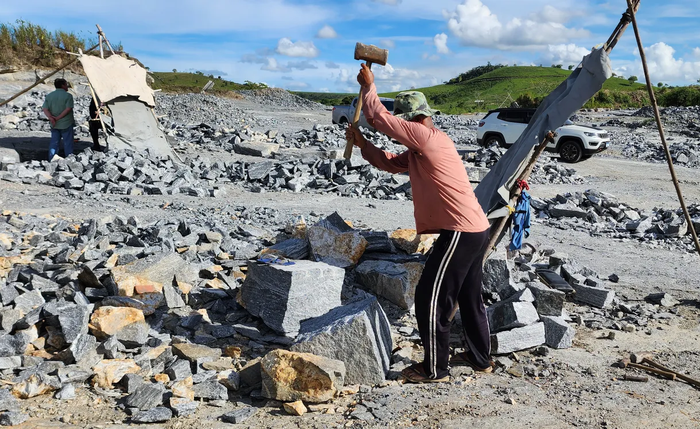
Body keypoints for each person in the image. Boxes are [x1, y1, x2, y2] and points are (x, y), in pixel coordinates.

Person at [346, 63, 493, 383]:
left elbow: (380, 120)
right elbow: (388, 162)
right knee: (469, 296)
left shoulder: (425, 137)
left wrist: (370, 87)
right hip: (476, 228)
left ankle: (434, 369)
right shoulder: (422, 148)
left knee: (430, 296)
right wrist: (362, 145)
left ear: (411, 118)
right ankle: (481, 358)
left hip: (461, 230)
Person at [42, 78, 75, 161]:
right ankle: (69, 160)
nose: (67, 86)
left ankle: (52, 159)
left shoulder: (50, 96)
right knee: (68, 143)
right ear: (63, 85)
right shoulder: (68, 96)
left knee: (54, 143)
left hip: (54, 124)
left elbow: (45, 109)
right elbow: (68, 109)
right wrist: (57, 118)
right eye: (66, 84)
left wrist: (51, 118)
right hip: (66, 123)